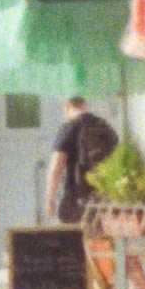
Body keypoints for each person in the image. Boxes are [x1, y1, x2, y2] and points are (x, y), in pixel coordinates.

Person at [47, 94, 118, 223]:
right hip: (103, 202)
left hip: (76, 201)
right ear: (85, 104)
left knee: (74, 241)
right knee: (101, 241)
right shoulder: (105, 128)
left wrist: (50, 198)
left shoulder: (68, 128)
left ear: (67, 105)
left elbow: (56, 167)